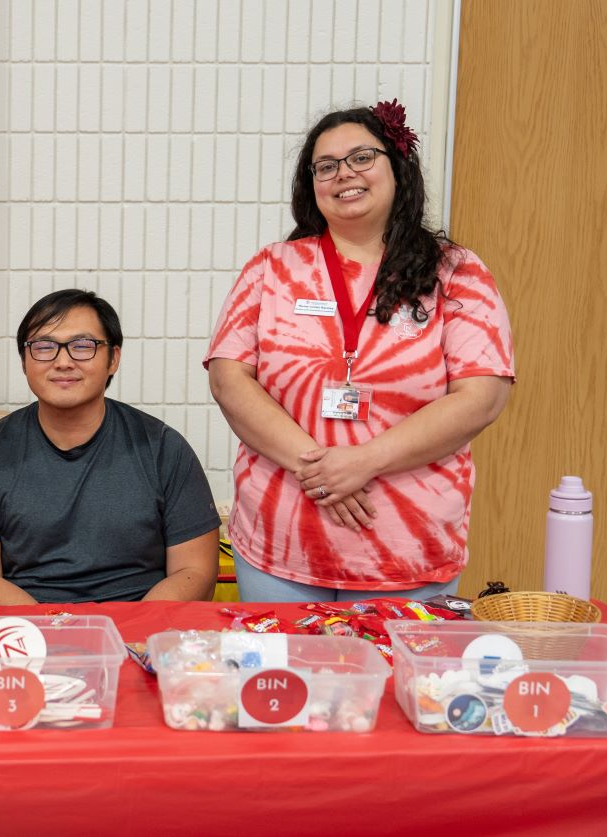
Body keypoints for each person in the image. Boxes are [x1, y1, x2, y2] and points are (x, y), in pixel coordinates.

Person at [205, 100, 514, 602]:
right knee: (286, 679)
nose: (343, 174)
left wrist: (364, 461)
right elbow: (227, 378)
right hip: (281, 542)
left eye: (361, 158)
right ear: (311, 185)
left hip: (408, 546)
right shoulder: (271, 268)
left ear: (398, 167)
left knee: (399, 682)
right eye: (325, 166)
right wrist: (321, 469)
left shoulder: (457, 272)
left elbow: (481, 397)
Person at [0, 289, 220, 604]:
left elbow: (195, 571)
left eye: (82, 346)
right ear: (24, 360)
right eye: (44, 347)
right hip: (29, 632)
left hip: (139, 630)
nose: (63, 362)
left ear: (113, 358)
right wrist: (52, 636)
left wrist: (131, 636)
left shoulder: (163, 449)